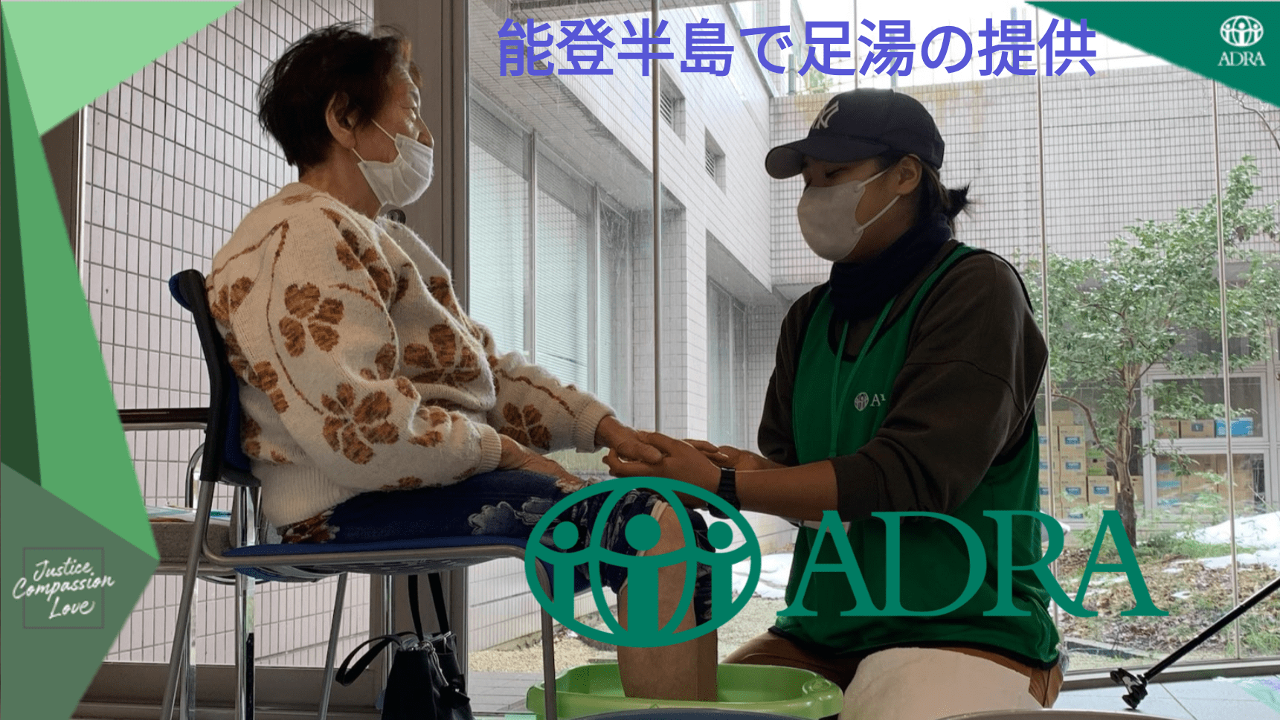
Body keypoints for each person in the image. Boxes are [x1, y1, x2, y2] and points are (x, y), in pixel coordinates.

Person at [206, 23, 715, 701]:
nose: (426, 134)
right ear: (344, 118)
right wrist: (508, 453)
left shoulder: (374, 237)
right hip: (344, 499)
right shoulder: (300, 236)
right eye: (410, 110)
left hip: (394, 484)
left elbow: (485, 376)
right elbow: (363, 434)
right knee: (654, 526)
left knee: (673, 519)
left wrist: (604, 429)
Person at [606, 88, 1062, 718]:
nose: (814, 196)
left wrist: (728, 484)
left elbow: (911, 475)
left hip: (968, 629)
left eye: (835, 175)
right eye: (809, 180)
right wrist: (722, 470)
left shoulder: (975, 290)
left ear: (906, 174)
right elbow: (803, 484)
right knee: (692, 715)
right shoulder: (810, 317)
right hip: (822, 633)